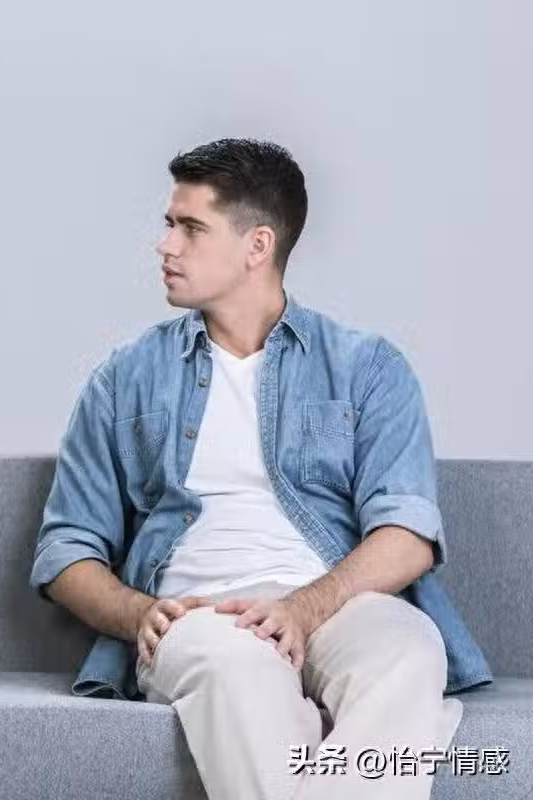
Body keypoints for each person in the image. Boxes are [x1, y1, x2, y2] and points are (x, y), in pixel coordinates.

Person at [30, 138, 491, 800]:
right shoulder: (124, 379)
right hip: (201, 618)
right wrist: (139, 614)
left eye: (190, 228)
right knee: (238, 671)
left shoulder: (367, 369)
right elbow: (66, 550)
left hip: (335, 607)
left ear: (257, 246)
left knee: (409, 649)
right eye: (168, 224)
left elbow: (408, 534)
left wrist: (303, 609)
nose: (165, 245)